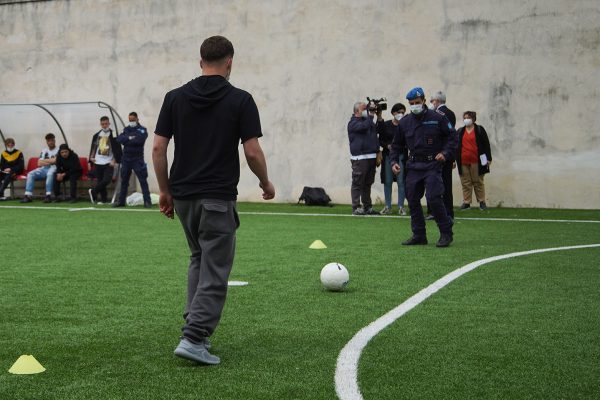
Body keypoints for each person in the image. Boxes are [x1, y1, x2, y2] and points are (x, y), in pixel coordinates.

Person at [153, 35, 275, 365]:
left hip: (184, 198)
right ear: (230, 62)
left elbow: (158, 149)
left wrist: (165, 191)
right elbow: (252, 151)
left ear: (200, 61)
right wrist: (266, 182)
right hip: (217, 198)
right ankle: (194, 338)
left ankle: (193, 329)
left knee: (198, 258)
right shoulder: (240, 100)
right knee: (215, 269)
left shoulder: (174, 98)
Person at [390, 87, 457, 247]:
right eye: (411, 103)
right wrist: (394, 162)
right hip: (413, 166)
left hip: (432, 164)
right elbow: (396, 145)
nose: (415, 106)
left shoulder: (438, 117)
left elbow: (453, 137)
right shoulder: (405, 122)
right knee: (412, 199)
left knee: (434, 198)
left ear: (424, 101)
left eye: (417, 102)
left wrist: (445, 153)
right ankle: (419, 234)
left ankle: (446, 232)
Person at [426, 90, 457, 220]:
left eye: (431, 101)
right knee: (445, 183)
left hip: (438, 153)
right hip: (447, 153)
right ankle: (447, 211)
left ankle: (438, 212)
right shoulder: (451, 113)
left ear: (436, 101)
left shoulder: (437, 114)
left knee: (435, 184)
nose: (431, 103)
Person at [347, 101, 381, 215]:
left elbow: (375, 135)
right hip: (359, 158)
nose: (368, 110)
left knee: (367, 183)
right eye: (364, 109)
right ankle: (356, 207)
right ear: (358, 111)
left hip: (371, 157)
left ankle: (367, 207)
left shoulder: (368, 121)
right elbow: (364, 127)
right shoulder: (353, 123)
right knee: (357, 183)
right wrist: (371, 115)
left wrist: (377, 151)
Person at [113, 112, 152, 207]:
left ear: (137, 119)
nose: (131, 122)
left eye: (133, 120)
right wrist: (130, 138)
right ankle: (121, 201)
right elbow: (119, 139)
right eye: (130, 120)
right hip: (126, 159)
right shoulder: (126, 129)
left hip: (137, 159)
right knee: (124, 181)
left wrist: (127, 139)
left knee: (142, 180)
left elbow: (140, 140)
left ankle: (147, 201)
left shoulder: (142, 130)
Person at [456, 111, 492, 210]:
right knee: (465, 182)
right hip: (463, 161)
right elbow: (455, 146)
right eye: (464, 117)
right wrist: (454, 160)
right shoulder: (460, 131)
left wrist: (488, 158)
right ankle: (466, 202)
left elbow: (486, 145)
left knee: (478, 181)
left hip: (477, 161)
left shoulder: (480, 130)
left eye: (468, 117)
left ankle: (482, 201)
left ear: (473, 119)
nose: (466, 119)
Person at [377, 103, 407, 215]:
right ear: (393, 113)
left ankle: (401, 207)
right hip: (388, 156)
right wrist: (387, 146)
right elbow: (380, 140)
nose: (401, 114)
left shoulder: (405, 125)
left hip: (401, 156)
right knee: (387, 181)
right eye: (399, 112)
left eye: (403, 112)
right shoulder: (386, 125)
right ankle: (387, 206)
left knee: (401, 182)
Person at [88, 116, 122, 204]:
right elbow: (93, 147)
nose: (104, 125)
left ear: (109, 123)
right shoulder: (96, 135)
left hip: (108, 162)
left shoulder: (113, 134)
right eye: (102, 124)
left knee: (107, 180)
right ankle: (103, 199)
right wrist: (91, 157)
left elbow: (117, 148)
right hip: (98, 161)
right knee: (100, 180)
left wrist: (114, 160)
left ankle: (93, 191)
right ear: (100, 124)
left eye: (106, 123)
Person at [21, 133, 59, 203]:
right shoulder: (44, 150)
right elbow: (39, 163)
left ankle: (48, 196)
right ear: (47, 142)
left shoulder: (59, 149)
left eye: (52, 140)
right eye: (49, 141)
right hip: (44, 169)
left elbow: (56, 161)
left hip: (54, 168)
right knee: (30, 174)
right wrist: (51, 161)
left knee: (50, 174)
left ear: (54, 141)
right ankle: (28, 195)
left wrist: (45, 161)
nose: (51, 142)